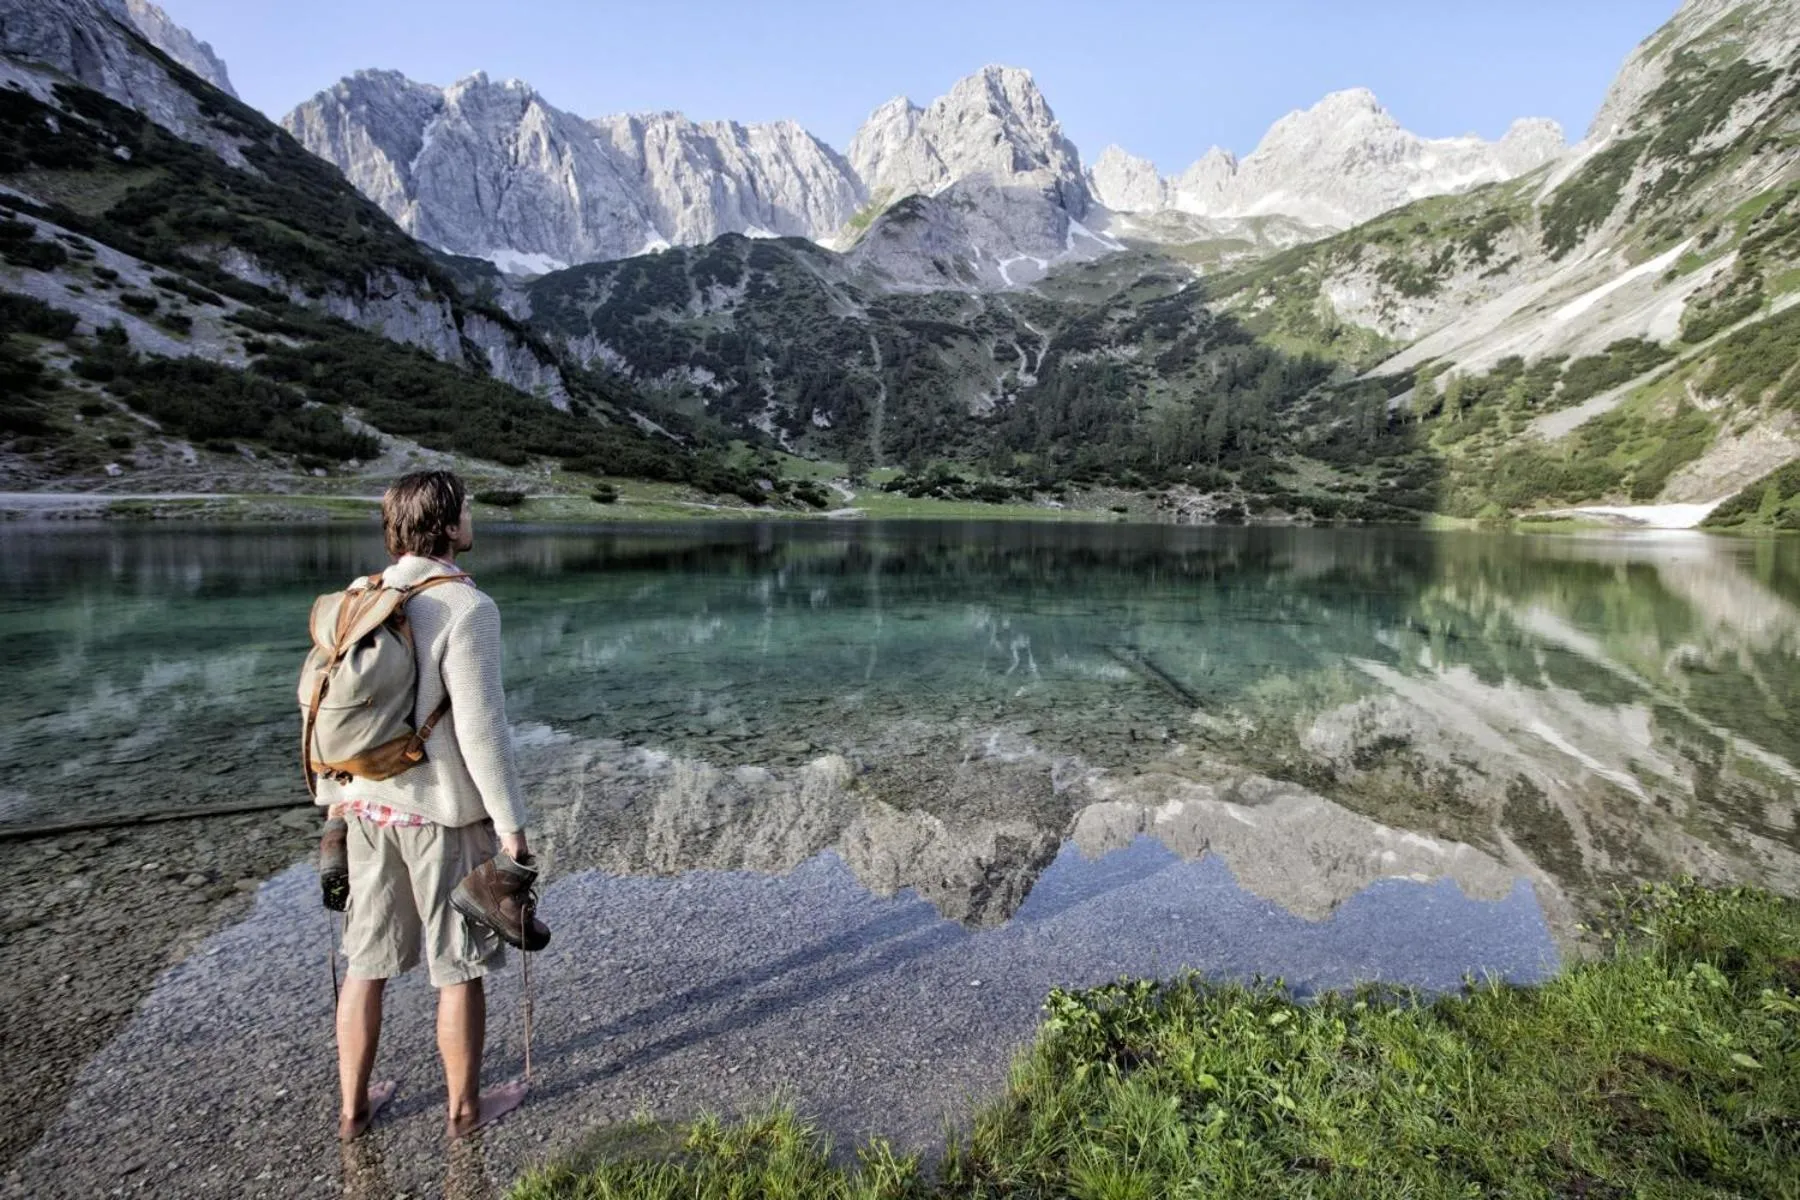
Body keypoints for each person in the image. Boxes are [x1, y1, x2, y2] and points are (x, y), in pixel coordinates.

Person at [317, 469, 535, 1142]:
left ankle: (354, 1110)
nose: (474, 519)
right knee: (459, 966)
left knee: (367, 962)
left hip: (361, 808)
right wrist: (512, 827)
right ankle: (465, 1110)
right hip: (440, 817)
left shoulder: (363, 593)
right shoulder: (467, 608)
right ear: (445, 524)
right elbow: (481, 729)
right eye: (467, 509)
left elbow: (326, 707)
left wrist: (332, 800)